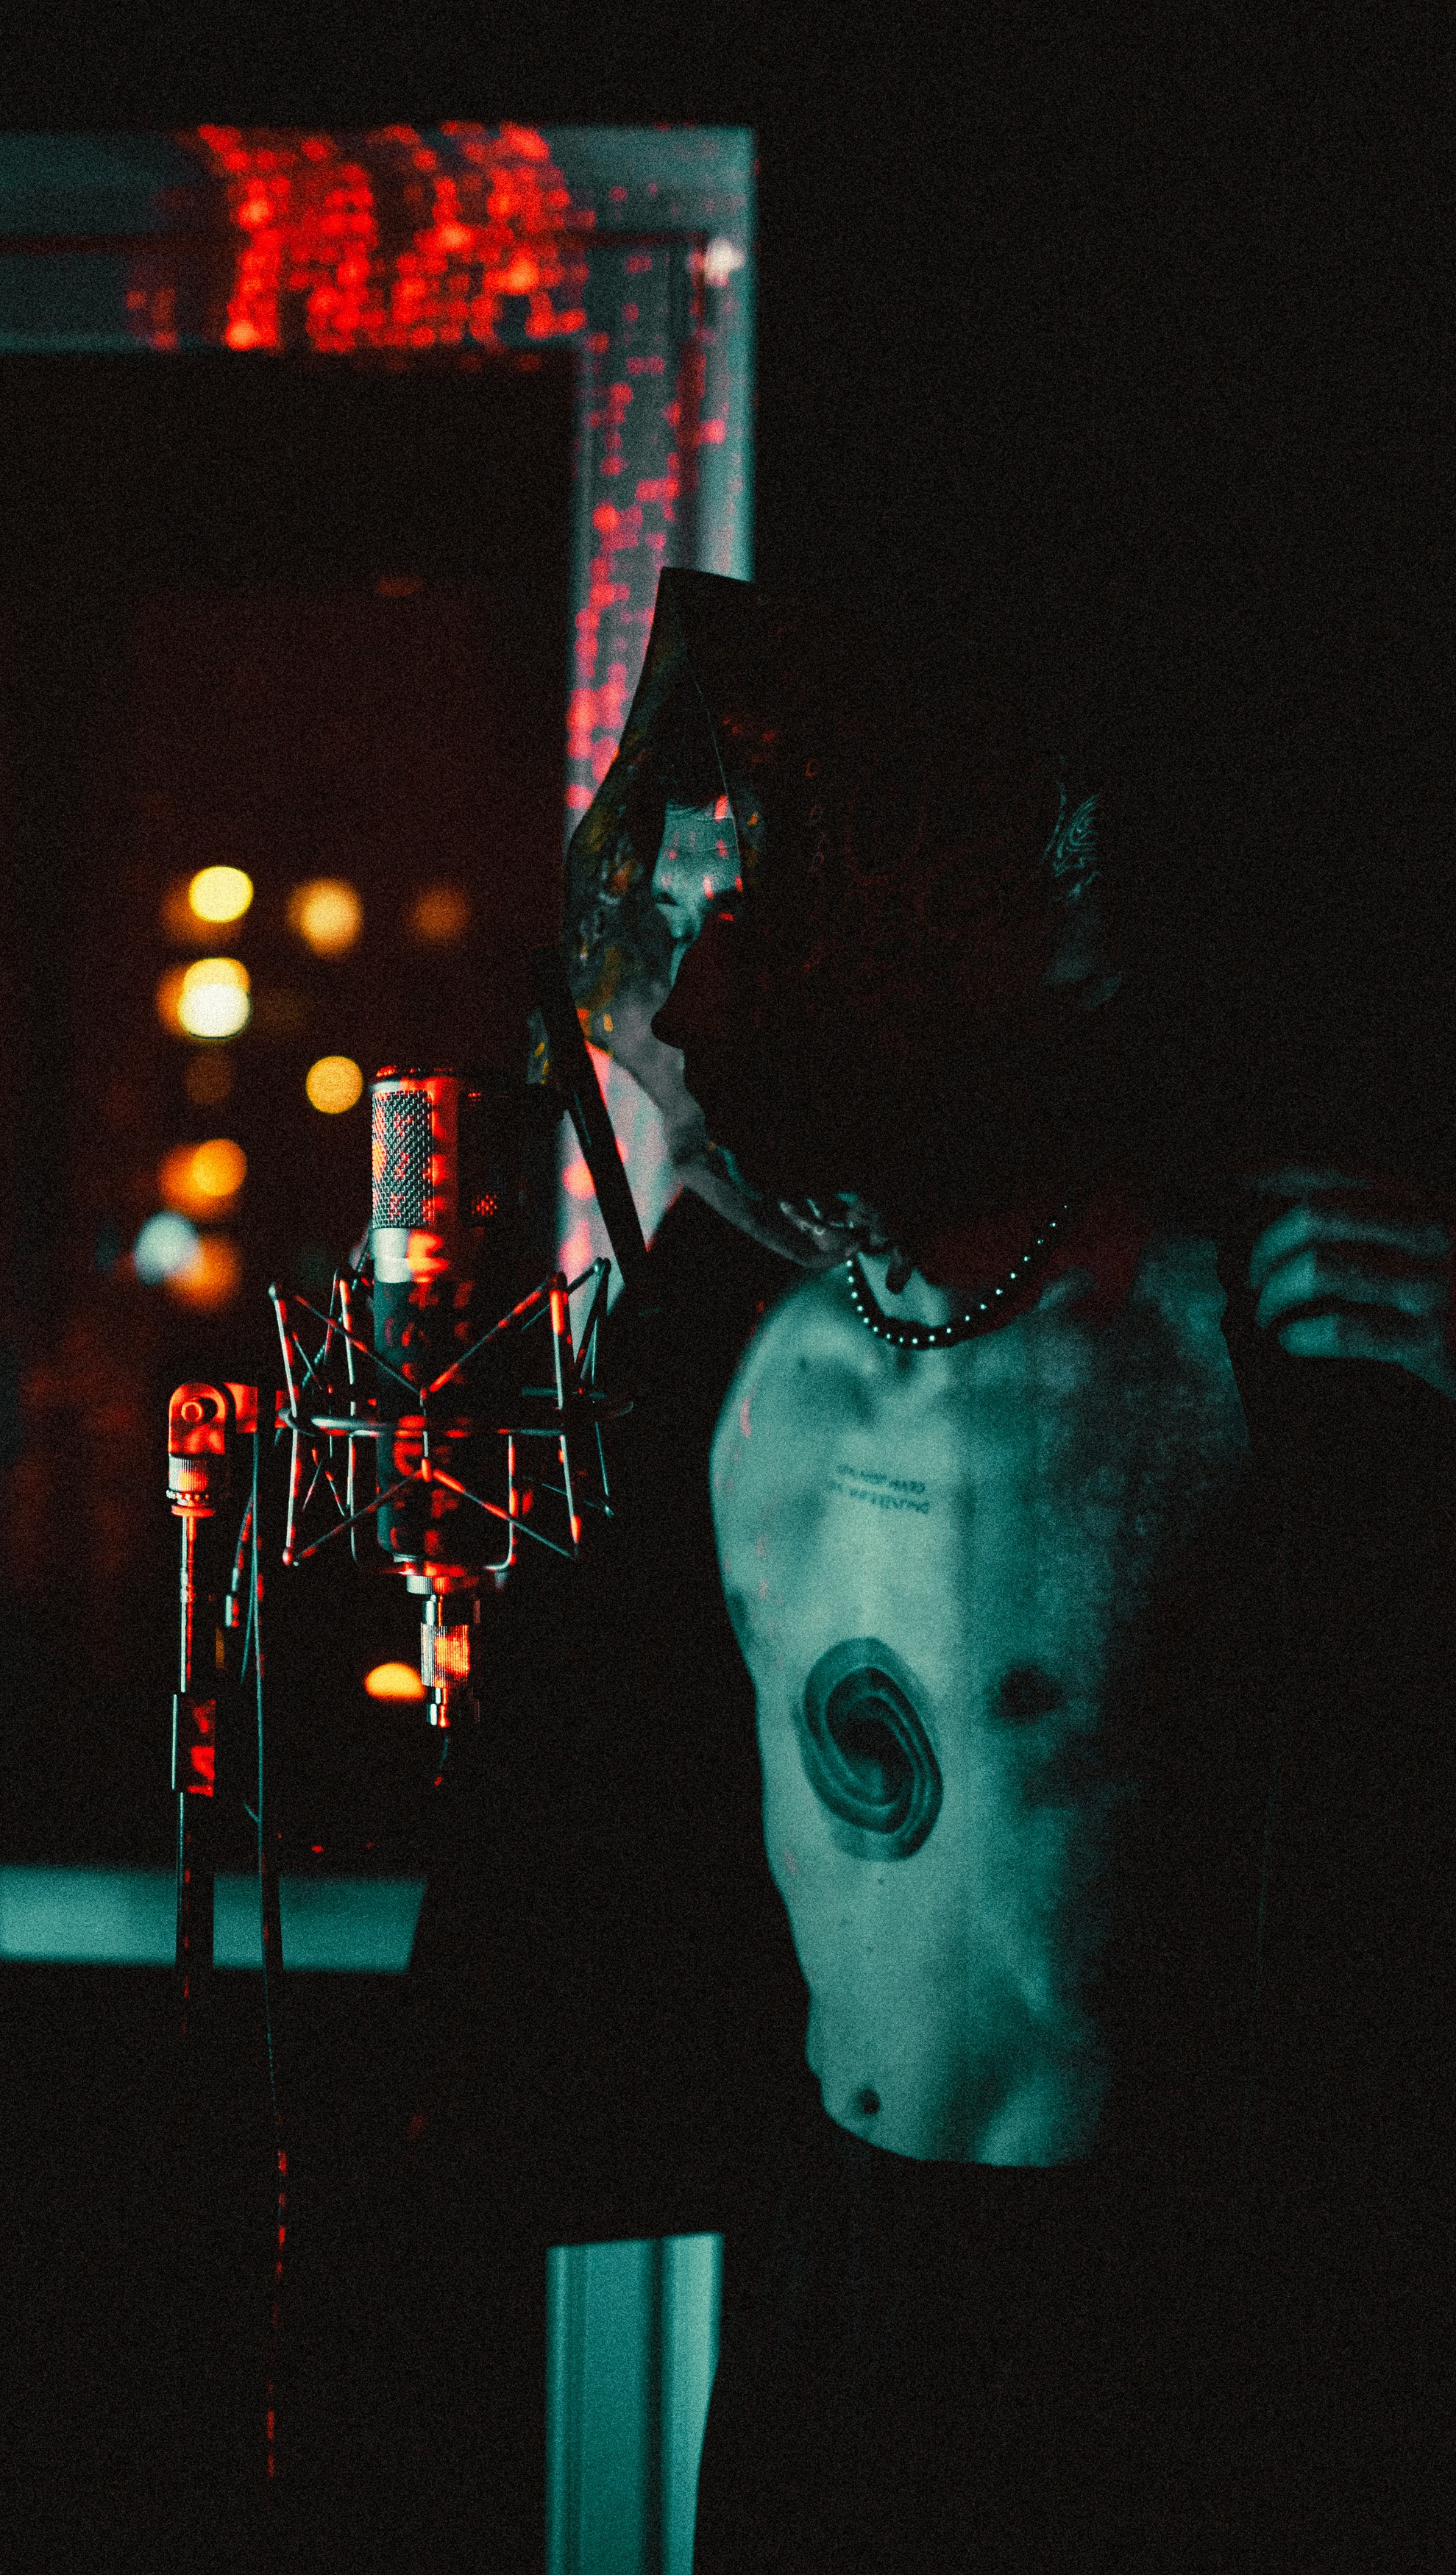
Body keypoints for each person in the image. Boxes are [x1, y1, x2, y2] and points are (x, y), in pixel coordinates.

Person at [559, 570, 1456, 2573]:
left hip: (1128, 2324)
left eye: (747, 914)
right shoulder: (730, 1344)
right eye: (687, 920)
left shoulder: (1237, 1336)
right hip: (821, 2272)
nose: (688, 998)